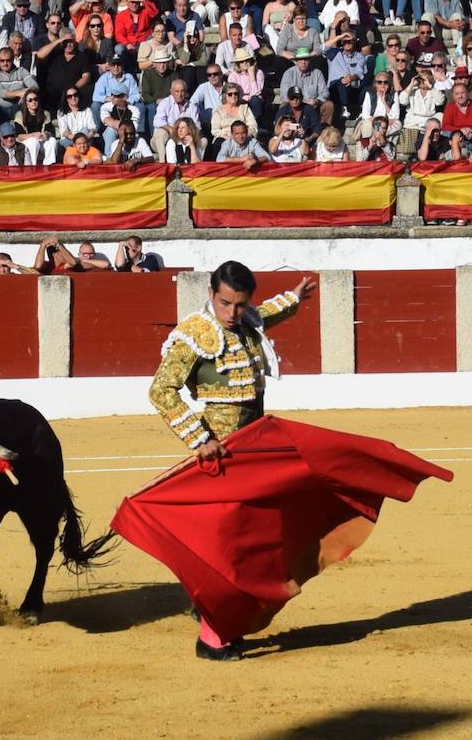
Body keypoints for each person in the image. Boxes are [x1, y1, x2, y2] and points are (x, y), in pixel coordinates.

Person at [145, 262, 315, 658]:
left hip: (252, 444)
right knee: (227, 541)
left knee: (246, 534)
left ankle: (210, 607)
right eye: (224, 303)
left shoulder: (247, 318)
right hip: (220, 451)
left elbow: (269, 312)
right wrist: (200, 438)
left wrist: (295, 297)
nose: (231, 313)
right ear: (210, 292)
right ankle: (212, 636)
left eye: (239, 305)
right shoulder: (194, 334)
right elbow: (160, 391)